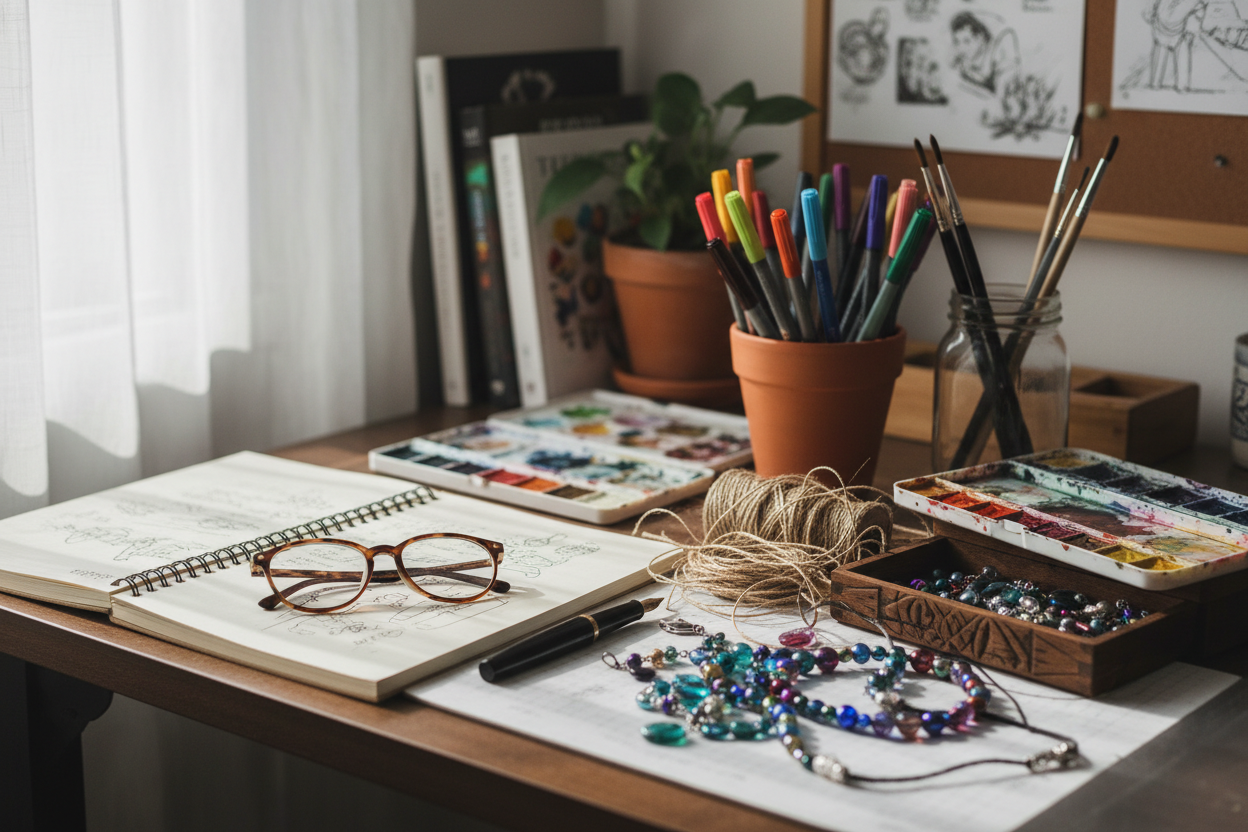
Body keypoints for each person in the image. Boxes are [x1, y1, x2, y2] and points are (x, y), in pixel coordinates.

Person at [949, 12, 1020, 96]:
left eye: (967, 41)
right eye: (957, 42)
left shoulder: (1000, 49)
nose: (961, 48)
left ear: (980, 38)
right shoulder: (961, 64)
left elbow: (1005, 90)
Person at [1148, 0, 1207, 91]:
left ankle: (1182, 85)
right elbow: (1154, 7)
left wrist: (1192, 28)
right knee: (1160, 54)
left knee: (1182, 55)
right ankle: (1155, 83)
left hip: (1182, 31)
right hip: (1161, 25)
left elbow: (1199, 11)